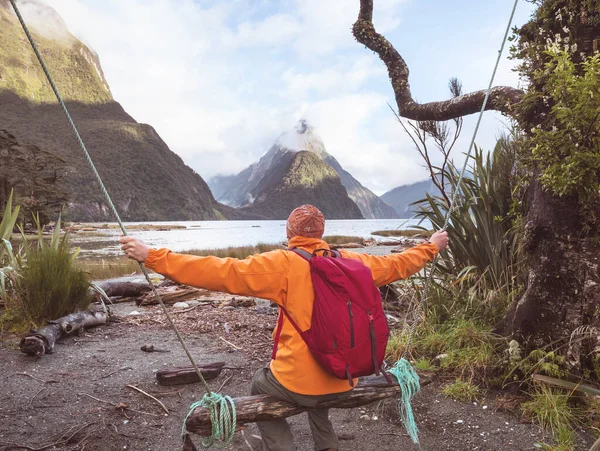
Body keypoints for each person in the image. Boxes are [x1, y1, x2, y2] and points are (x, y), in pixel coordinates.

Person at [120, 204, 448, 451]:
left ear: (290, 234)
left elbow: (220, 271)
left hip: (298, 384)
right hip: (345, 378)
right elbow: (398, 264)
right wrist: (431, 246)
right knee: (320, 384)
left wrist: (153, 256)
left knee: (260, 383)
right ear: (320, 233)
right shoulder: (352, 261)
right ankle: (327, 445)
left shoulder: (282, 264)